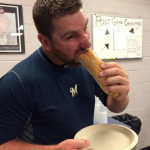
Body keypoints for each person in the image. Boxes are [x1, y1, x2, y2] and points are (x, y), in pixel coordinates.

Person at [0, 0, 129, 149]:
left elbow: (115, 107)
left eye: (85, 28)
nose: (87, 43)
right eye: (71, 36)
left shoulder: (83, 64)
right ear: (45, 42)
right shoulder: (16, 83)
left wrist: (121, 96)